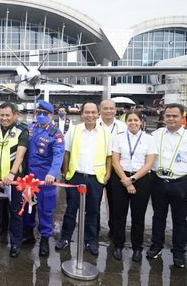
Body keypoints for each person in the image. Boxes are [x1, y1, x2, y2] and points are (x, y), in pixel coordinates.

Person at [55, 102, 112, 256]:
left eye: (93, 112)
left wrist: (106, 176)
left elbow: (109, 156)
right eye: (87, 112)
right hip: (76, 176)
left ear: (98, 113)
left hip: (95, 178)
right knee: (71, 210)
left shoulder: (105, 132)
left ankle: (91, 241)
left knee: (93, 212)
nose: (90, 115)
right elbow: (66, 153)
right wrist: (66, 173)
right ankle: (65, 238)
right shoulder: (73, 131)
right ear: (82, 114)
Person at [110, 109, 156, 262]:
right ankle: (118, 245)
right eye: (130, 120)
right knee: (118, 214)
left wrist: (132, 180)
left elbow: (149, 163)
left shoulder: (149, 139)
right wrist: (125, 179)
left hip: (141, 178)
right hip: (120, 177)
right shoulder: (119, 138)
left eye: (136, 120)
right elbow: (115, 161)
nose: (133, 123)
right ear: (126, 122)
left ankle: (137, 248)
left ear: (141, 122)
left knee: (138, 216)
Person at [0, 102, 28, 258]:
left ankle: (15, 243)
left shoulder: (22, 131)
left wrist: (11, 174)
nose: (4, 118)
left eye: (7, 115)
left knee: (15, 213)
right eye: (1, 115)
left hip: (14, 181)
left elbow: (20, 154)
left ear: (15, 115)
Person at [22, 100, 65, 257]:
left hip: (45, 179)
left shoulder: (55, 133)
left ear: (51, 115)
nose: (41, 116)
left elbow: (58, 155)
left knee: (45, 210)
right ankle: (28, 233)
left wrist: (52, 173)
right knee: (28, 207)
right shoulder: (30, 128)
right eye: (38, 113)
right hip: (28, 177)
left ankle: (45, 239)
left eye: (44, 114)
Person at [147, 103, 187, 269]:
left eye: (174, 116)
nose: (171, 119)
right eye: (168, 116)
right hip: (158, 181)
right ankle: (156, 246)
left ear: (182, 117)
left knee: (180, 220)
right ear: (163, 118)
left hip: (181, 182)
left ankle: (178, 252)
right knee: (158, 216)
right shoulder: (155, 135)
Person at [97, 99, 127, 238]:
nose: (108, 111)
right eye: (105, 108)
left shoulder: (123, 126)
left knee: (115, 202)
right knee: (94, 201)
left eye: (111, 108)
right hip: (96, 167)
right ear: (100, 110)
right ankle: (93, 230)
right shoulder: (94, 124)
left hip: (116, 168)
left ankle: (114, 231)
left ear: (115, 110)